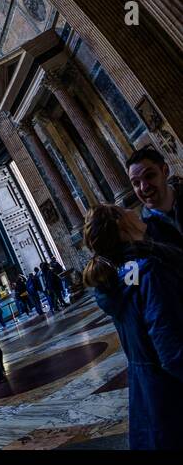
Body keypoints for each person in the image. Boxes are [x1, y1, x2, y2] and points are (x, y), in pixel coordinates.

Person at [85, 202, 183, 449]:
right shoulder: (149, 271)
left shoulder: (121, 276)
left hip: (147, 389)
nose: (132, 209)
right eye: (123, 209)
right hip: (172, 390)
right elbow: (171, 348)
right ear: (121, 223)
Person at [127, 147, 183, 248]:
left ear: (165, 171)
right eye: (136, 183)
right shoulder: (143, 233)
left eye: (149, 176)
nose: (144, 187)